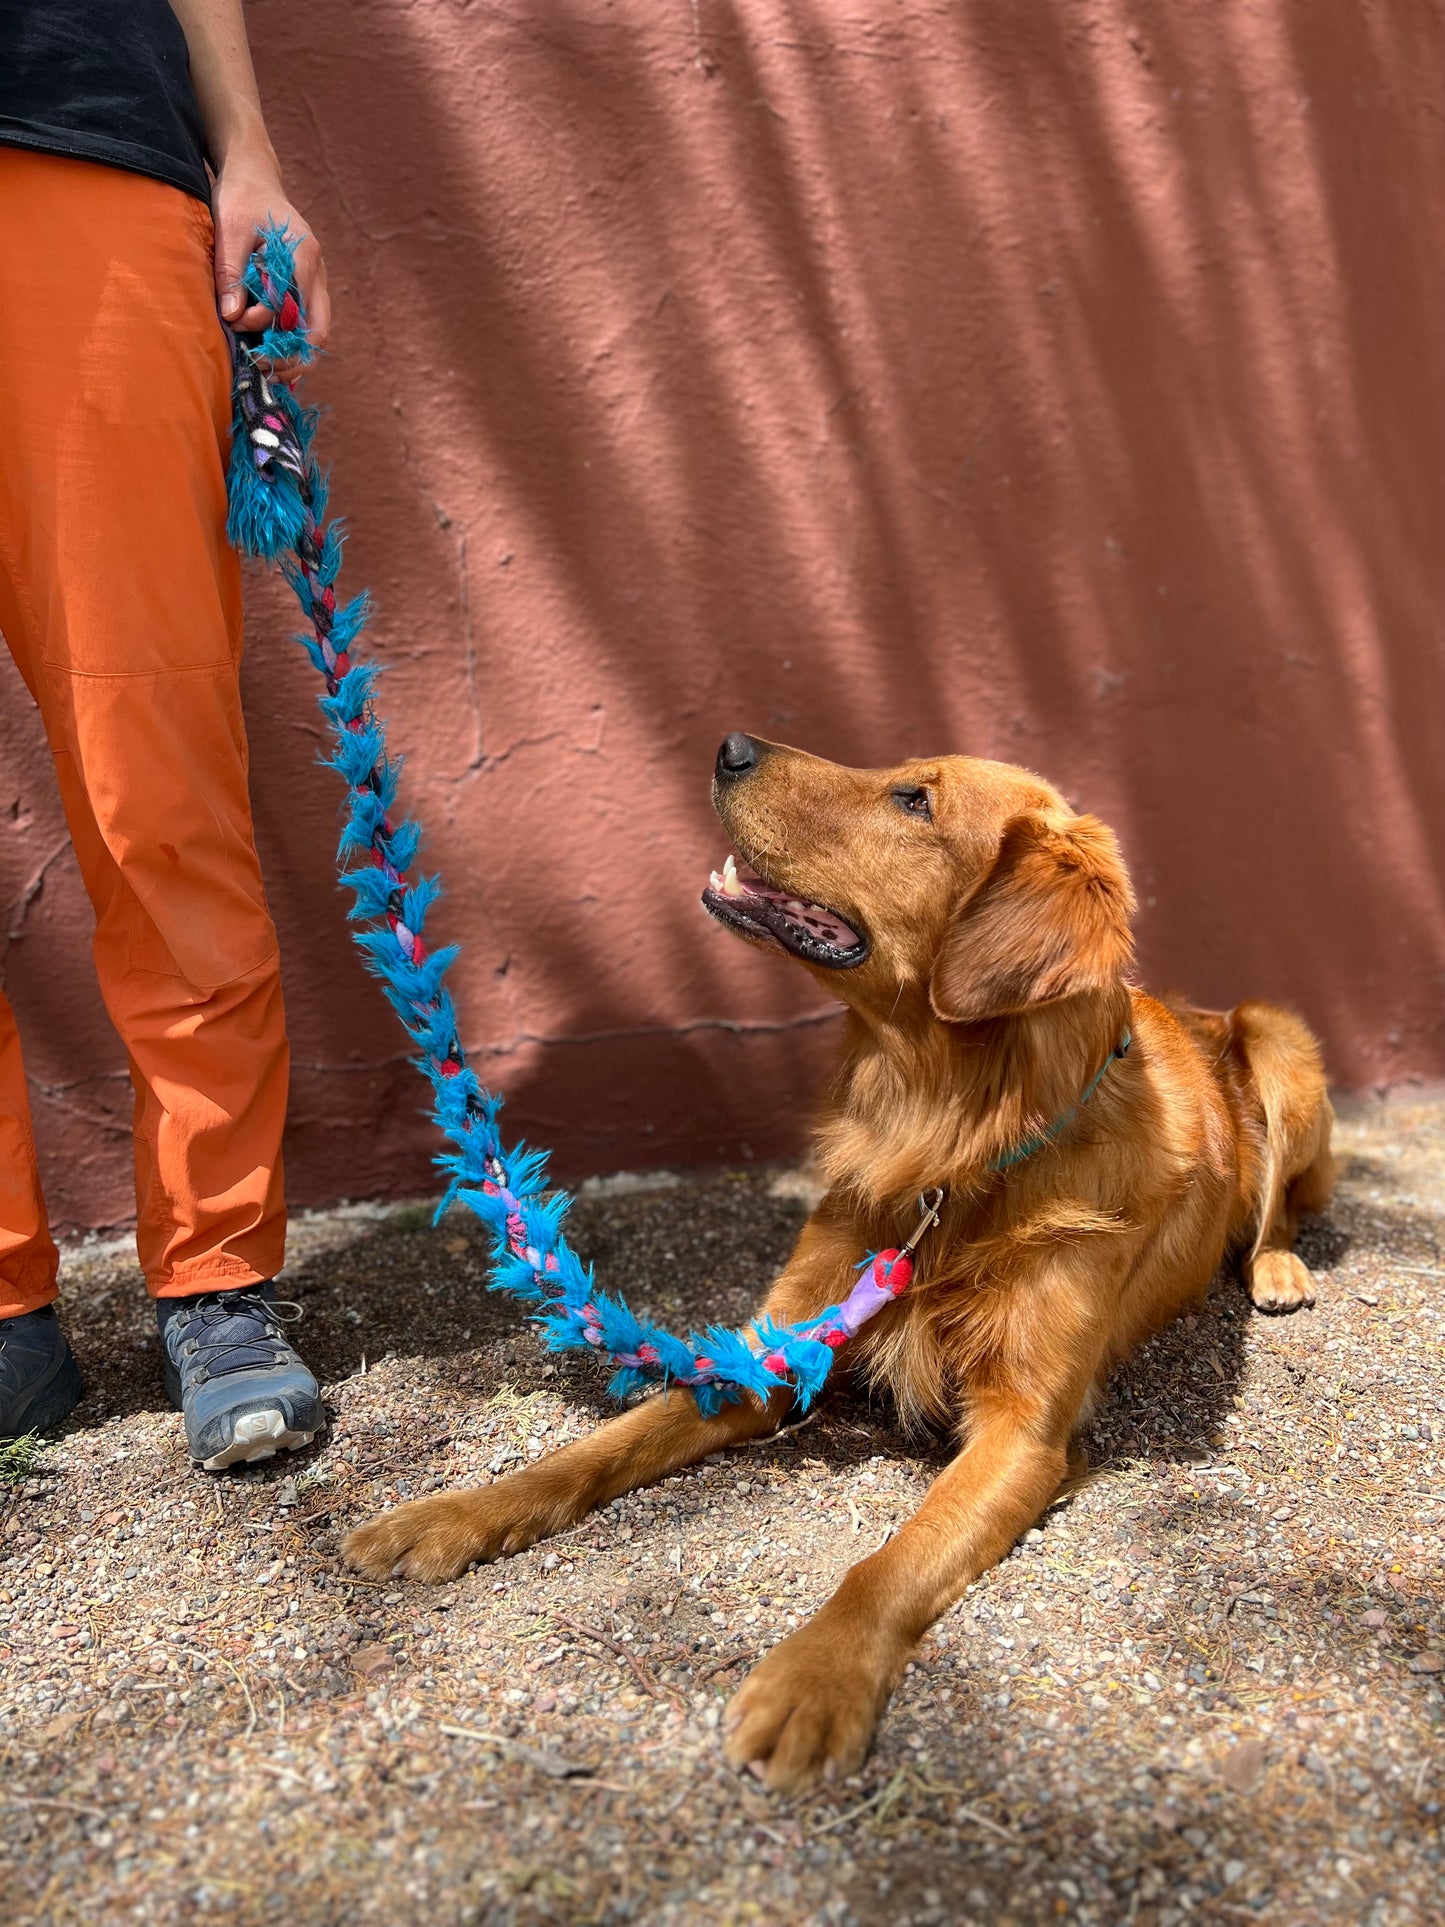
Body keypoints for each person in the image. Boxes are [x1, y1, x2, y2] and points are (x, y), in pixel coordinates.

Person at [0, 0, 330, 1468]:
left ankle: (215, 1274)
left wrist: (243, 152)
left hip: (79, 155)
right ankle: (6, 1317)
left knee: (155, 768)